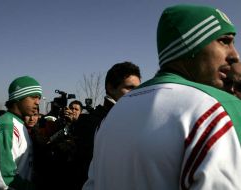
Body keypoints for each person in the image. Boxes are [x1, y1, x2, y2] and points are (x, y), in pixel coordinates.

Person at [83, 4, 241, 190]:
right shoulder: (216, 107)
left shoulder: (112, 115)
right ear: (190, 44)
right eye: (224, 41)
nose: (235, 55)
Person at [72, 61, 141, 189]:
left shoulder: (134, 119)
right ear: (111, 88)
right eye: (129, 88)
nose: (135, 93)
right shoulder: (90, 121)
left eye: (138, 89)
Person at [0, 76, 42, 190]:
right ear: (18, 97)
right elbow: (2, 179)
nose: (38, 102)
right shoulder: (7, 126)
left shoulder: (19, 124)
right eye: (33, 97)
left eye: (39, 98)